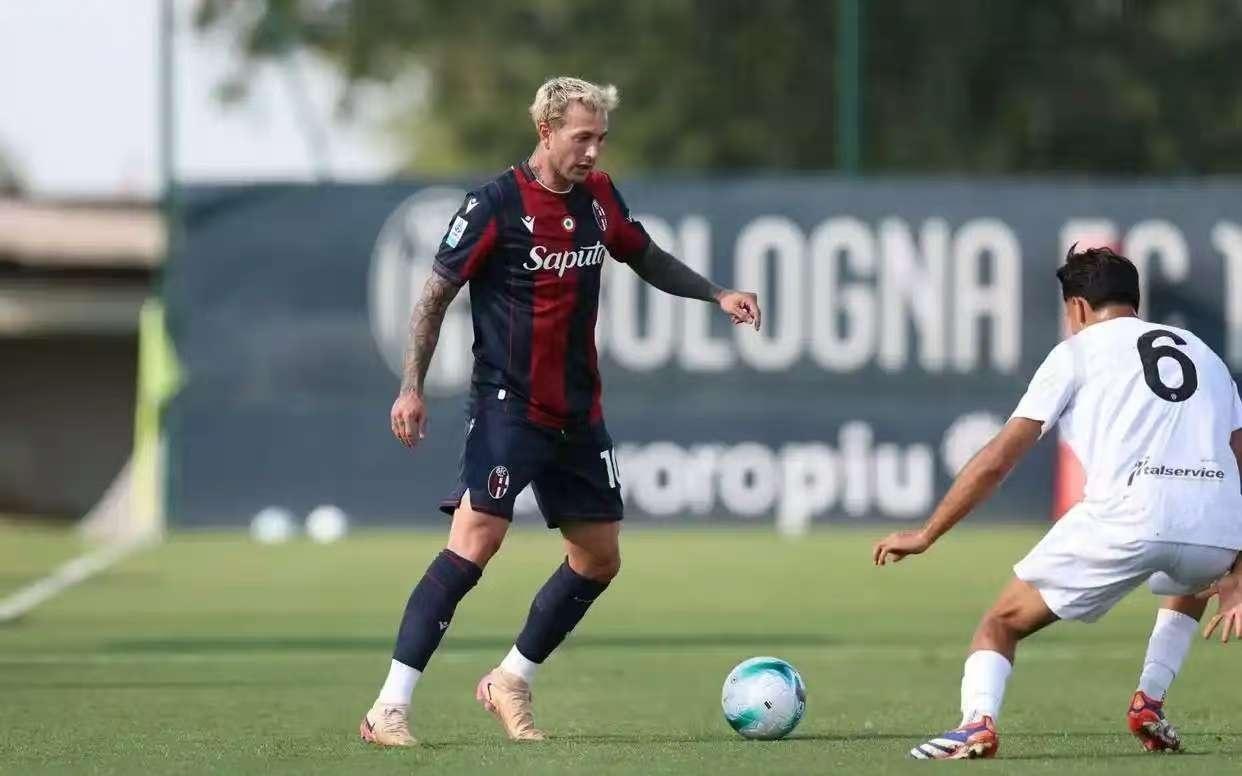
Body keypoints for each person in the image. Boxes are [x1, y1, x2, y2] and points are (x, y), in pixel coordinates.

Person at [361, 76, 762, 747]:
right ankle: (388, 706)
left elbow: (645, 256)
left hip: (578, 411)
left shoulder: (599, 197)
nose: (593, 152)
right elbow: (433, 298)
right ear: (545, 131)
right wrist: (411, 387)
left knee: (599, 558)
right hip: (508, 405)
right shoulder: (493, 205)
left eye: (600, 138)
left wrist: (716, 294)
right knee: (476, 541)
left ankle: (510, 678)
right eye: (582, 138)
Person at [873, 246, 1242, 759]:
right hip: (1214, 532)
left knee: (1001, 623)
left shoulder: (1076, 352)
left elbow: (998, 460)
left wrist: (926, 533)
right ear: (1134, 301)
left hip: (1126, 519)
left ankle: (976, 724)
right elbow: (1237, 461)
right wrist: (1237, 567)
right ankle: (1150, 701)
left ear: (1077, 307)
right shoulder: (1206, 355)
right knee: (1190, 576)